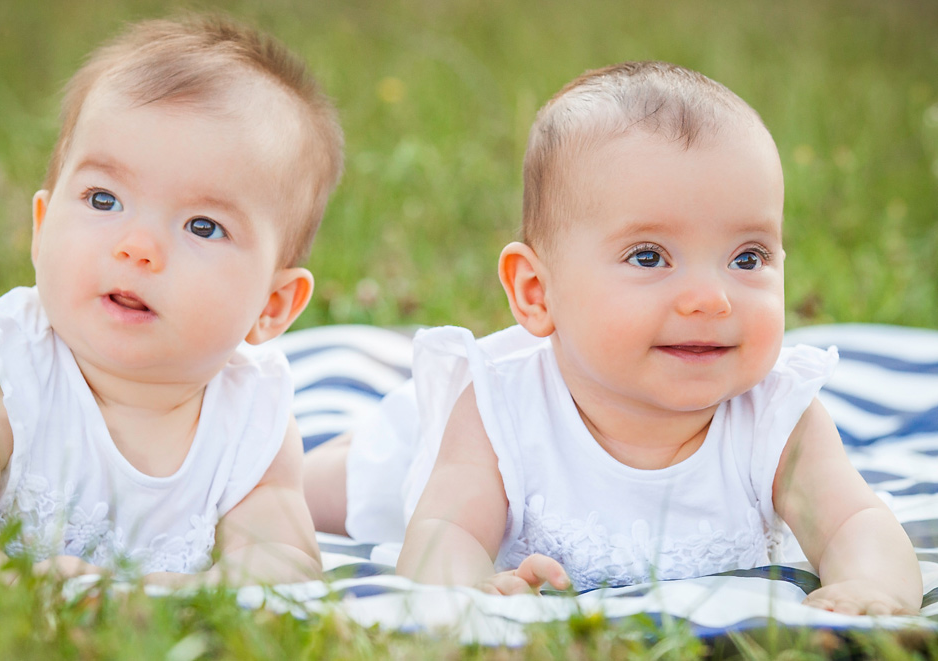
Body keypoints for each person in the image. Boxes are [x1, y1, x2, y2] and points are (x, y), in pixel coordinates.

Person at [304, 61, 922, 615]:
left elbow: (856, 521)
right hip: (424, 455)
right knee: (320, 487)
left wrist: (872, 585)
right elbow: (448, 532)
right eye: (650, 257)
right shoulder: (497, 410)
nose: (712, 297)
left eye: (748, 256)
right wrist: (467, 588)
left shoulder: (779, 417)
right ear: (537, 293)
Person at [0, 13, 344, 604]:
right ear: (41, 230)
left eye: (203, 225)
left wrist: (189, 598)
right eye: (103, 198)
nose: (137, 247)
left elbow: (285, 562)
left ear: (271, 306)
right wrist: (2, 596)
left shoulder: (251, 415)